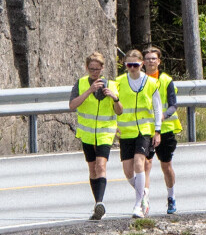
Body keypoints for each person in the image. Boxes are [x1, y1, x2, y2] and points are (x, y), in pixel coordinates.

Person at [69, 52, 122, 220]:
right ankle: (97, 203)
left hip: (105, 133)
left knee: (101, 166)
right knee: (92, 168)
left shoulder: (112, 85)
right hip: (87, 133)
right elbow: (72, 105)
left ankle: (100, 202)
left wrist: (115, 98)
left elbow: (120, 110)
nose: (94, 72)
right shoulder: (81, 83)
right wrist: (89, 91)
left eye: (97, 69)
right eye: (91, 69)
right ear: (86, 68)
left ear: (102, 68)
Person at [115, 49, 162, 218]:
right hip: (126, 131)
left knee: (139, 163)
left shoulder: (150, 83)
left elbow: (157, 108)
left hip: (144, 130)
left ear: (141, 64)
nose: (132, 68)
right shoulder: (119, 82)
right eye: (129, 65)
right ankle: (144, 195)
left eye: (135, 65)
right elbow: (114, 105)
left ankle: (138, 206)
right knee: (128, 171)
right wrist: (114, 125)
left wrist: (157, 131)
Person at [142, 47, 179, 214]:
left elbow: (173, 104)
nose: (150, 61)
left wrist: (164, 115)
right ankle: (144, 200)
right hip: (146, 129)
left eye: (153, 59)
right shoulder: (139, 80)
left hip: (165, 129)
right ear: (143, 62)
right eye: (148, 58)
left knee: (166, 166)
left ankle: (171, 197)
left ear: (159, 61)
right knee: (145, 165)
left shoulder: (165, 80)